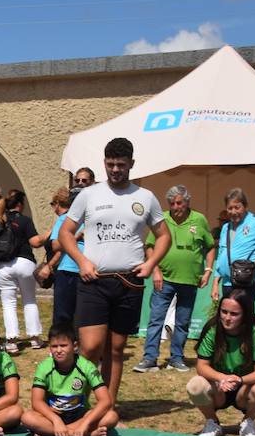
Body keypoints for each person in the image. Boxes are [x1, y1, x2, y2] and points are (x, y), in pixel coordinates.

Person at [57, 139, 171, 404]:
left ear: (132, 163)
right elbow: (66, 232)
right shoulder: (89, 194)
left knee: (116, 349)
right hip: (94, 280)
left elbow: (163, 236)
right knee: (90, 347)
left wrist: (150, 264)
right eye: (110, 164)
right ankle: (77, 403)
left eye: (121, 164)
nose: (115, 170)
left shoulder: (145, 197)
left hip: (128, 283)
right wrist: (82, 261)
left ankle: (107, 407)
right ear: (104, 163)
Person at [135, 184, 215, 372]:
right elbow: (149, 246)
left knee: (182, 322)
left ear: (187, 202)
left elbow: (210, 246)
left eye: (179, 203)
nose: (175, 207)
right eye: (171, 203)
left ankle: (176, 358)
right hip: (165, 279)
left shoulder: (199, 220)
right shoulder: (161, 219)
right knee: (156, 320)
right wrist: (155, 271)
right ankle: (149, 359)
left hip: (190, 280)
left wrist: (208, 270)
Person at [187, 291, 255, 436]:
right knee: (195, 385)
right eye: (224, 312)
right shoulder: (212, 329)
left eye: (234, 314)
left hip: (244, 388)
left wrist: (239, 380)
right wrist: (222, 378)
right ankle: (212, 422)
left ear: (245, 314)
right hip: (218, 387)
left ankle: (247, 423)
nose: (227, 318)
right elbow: (201, 366)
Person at [21, 322, 119, 436]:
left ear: (75, 346)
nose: (59, 350)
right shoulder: (44, 367)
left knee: (111, 416)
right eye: (54, 346)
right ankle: (87, 435)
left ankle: (51, 432)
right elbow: (36, 402)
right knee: (27, 417)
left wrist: (86, 424)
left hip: (79, 417)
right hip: (53, 417)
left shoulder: (87, 366)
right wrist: (56, 421)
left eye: (63, 345)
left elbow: (105, 401)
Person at [0, 189, 46, 354]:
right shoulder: (25, 221)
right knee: (29, 300)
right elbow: (35, 242)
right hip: (25, 263)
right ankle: (35, 338)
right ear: (20, 205)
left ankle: (11, 341)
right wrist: (48, 234)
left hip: (4, 267)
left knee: (8, 304)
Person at [44, 185, 80, 327]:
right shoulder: (65, 220)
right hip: (68, 270)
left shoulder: (91, 220)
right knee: (63, 314)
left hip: (86, 271)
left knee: (81, 314)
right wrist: (76, 237)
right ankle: (61, 344)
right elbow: (56, 246)